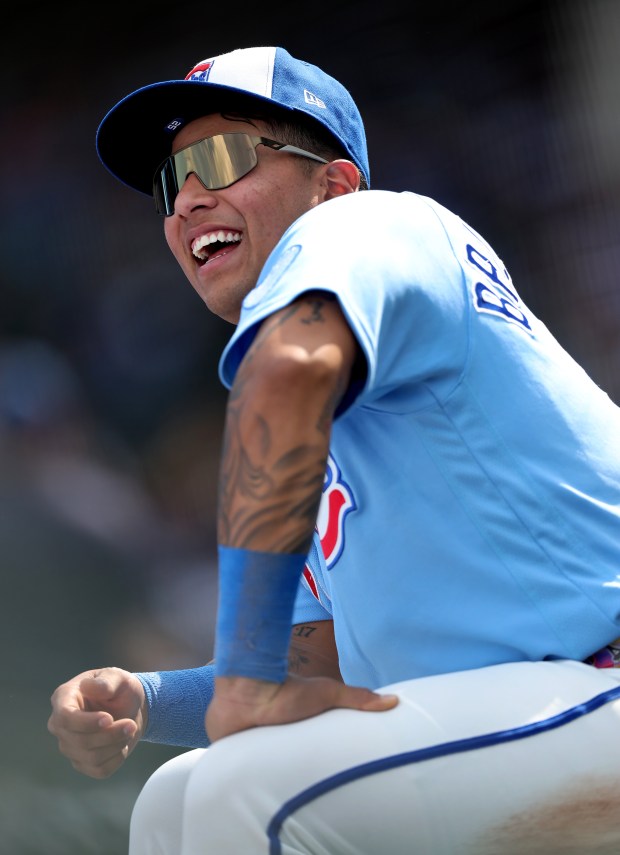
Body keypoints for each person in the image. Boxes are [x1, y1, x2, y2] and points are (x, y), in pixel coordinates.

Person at [48, 46, 620, 854]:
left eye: (222, 156)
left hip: (599, 681)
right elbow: (319, 672)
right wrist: (150, 699)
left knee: (241, 789)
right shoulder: (336, 418)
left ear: (335, 182)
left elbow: (285, 370)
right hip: (536, 714)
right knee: (174, 796)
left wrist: (243, 681)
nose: (189, 201)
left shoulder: (372, 223)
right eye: (171, 184)